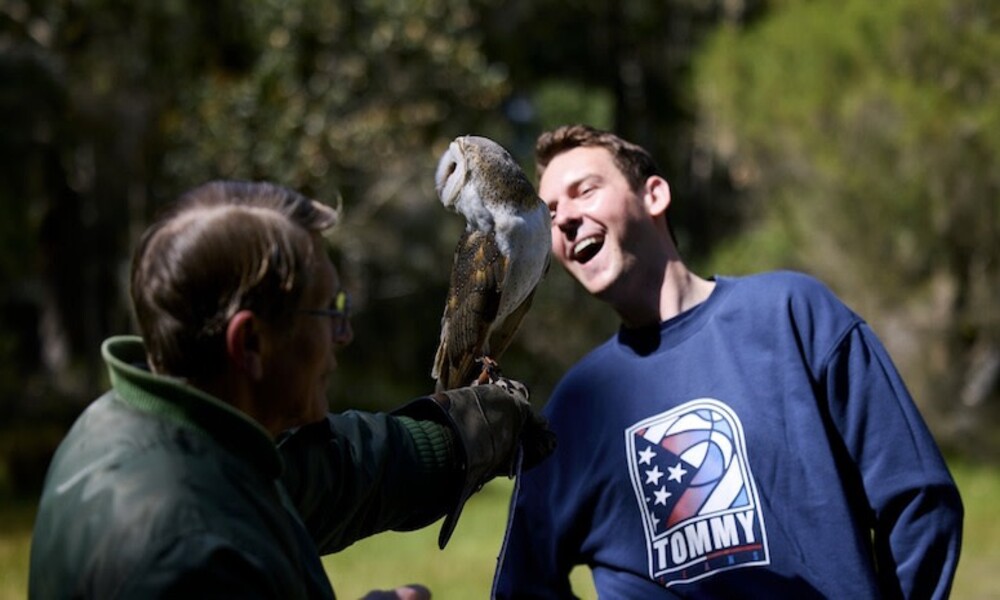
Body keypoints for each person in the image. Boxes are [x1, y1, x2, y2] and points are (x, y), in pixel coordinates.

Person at [493, 125, 963, 598]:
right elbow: (521, 584)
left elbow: (918, 500)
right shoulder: (575, 407)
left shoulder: (793, 315)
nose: (565, 220)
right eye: (550, 214)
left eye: (585, 192)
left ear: (653, 195)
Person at [28, 180, 554, 598]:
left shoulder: (160, 433)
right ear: (251, 343)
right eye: (329, 311)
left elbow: (332, 473)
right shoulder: (186, 553)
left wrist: (455, 438)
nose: (343, 334)